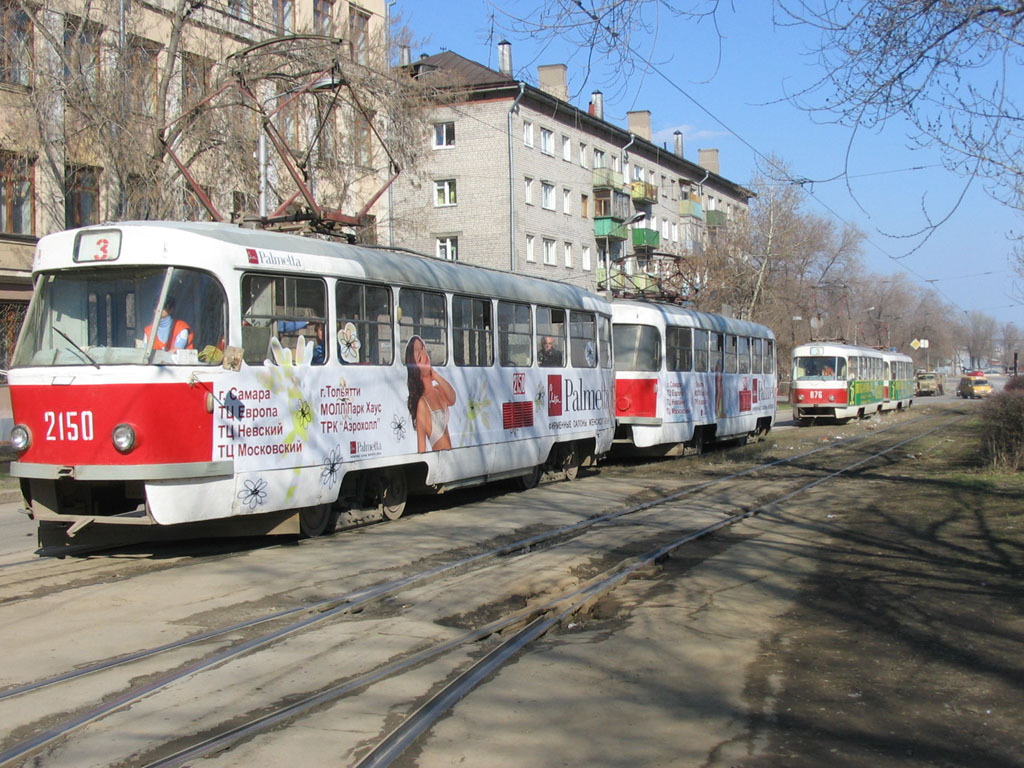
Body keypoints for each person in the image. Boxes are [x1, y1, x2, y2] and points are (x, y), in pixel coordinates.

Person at [405, 335, 456, 452]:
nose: (425, 355)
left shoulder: (438, 390)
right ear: (415, 370)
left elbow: (452, 399)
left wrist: (436, 375)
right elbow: (421, 449)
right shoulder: (422, 404)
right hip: (441, 463)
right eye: (419, 358)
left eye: (424, 349)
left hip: (452, 459)